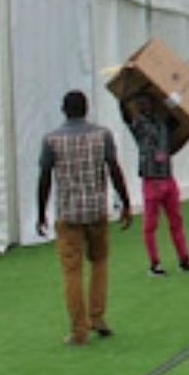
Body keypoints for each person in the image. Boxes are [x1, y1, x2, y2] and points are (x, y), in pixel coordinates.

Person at [36, 91, 133, 345]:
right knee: (99, 263)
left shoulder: (51, 140)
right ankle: (97, 317)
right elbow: (114, 169)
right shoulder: (102, 135)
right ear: (87, 109)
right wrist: (124, 202)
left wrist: (40, 212)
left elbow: (45, 178)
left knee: (72, 271)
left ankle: (78, 330)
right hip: (96, 210)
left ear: (63, 110)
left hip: (68, 213)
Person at [120, 92, 189, 277]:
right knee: (151, 225)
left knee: (176, 221)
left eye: (148, 102)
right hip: (152, 179)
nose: (145, 106)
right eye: (141, 104)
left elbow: (179, 118)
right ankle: (155, 263)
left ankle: (184, 259)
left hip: (167, 177)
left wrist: (172, 99)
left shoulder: (162, 124)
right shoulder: (139, 125)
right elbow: (126, 117)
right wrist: (123, 95)